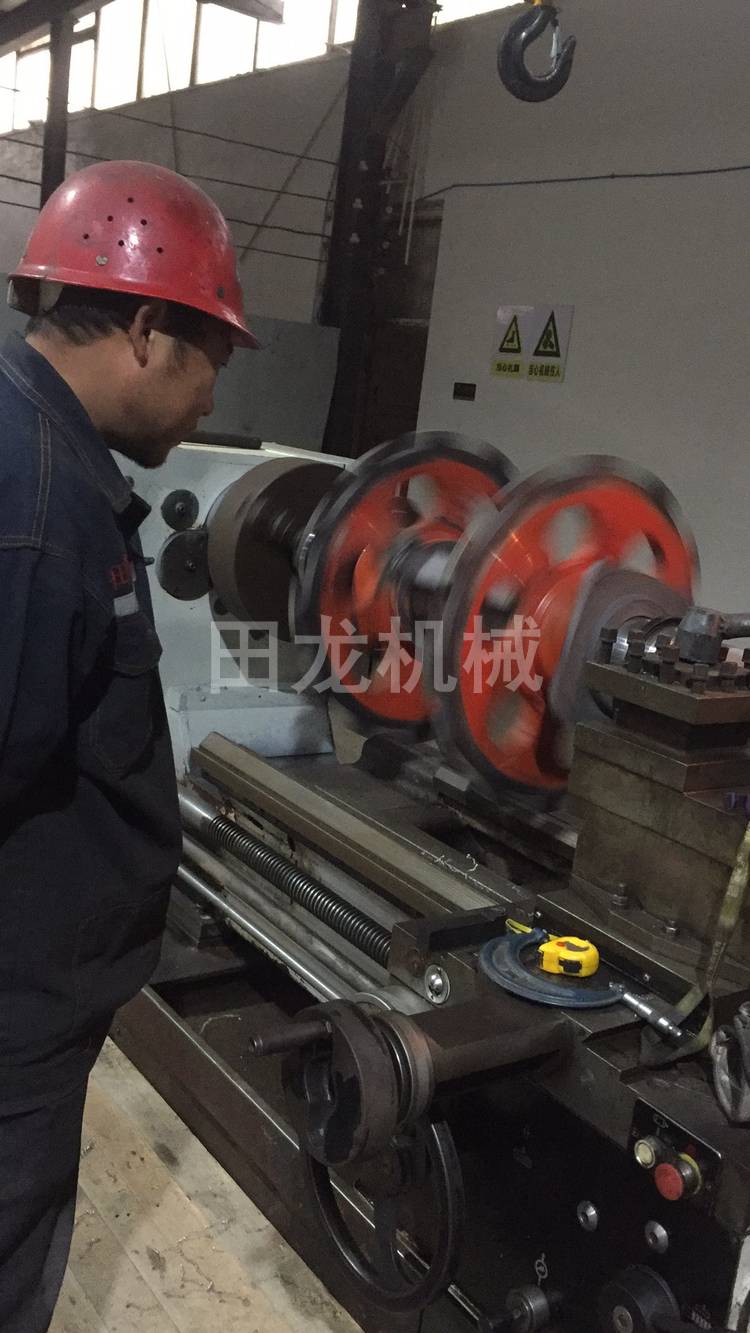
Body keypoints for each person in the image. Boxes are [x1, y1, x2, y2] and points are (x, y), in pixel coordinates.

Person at [0, 159, 258, 1332]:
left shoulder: (36, 448)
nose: (209, 401)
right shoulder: (38, 507)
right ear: (149, 331)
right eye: (213, 362)